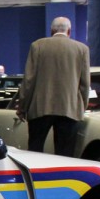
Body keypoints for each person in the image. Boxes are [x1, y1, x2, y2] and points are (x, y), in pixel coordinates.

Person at [15, 16, 90, 157]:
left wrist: (22, 108)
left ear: (52, 30)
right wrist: (81, 107)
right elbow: (85, 84)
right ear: (69, 31)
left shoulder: (37, 46)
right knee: (65, 154)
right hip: (69, 109)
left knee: (35, 150)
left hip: (40, 108)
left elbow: (28, 81)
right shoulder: (82, 49)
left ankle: (36, 177)